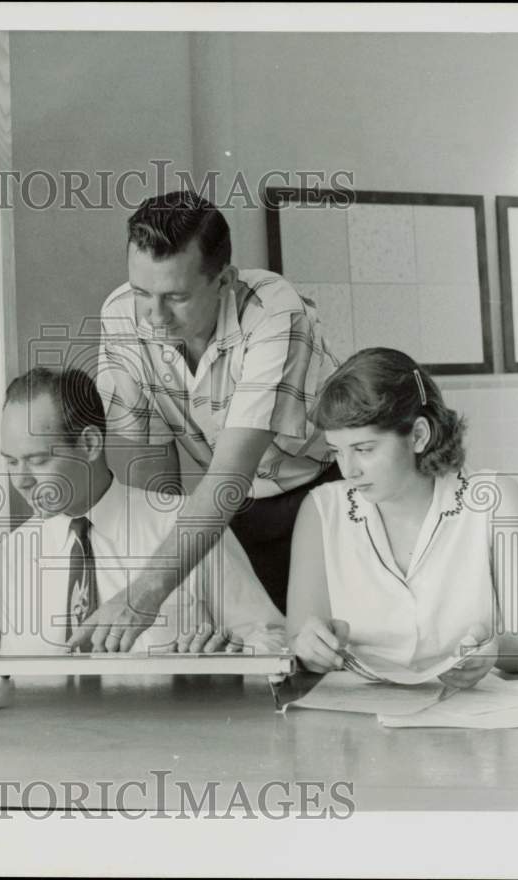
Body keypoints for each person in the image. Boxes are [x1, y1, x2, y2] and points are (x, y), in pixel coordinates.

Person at [80, 190, 338, 652]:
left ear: (225, 281)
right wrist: (174, 586)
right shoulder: (121, 313)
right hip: (219, 512)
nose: (154, 316)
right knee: (240, 653)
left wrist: (144, 596)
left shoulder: (276, 311)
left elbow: (228, 476)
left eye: (176, 297)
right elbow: (153, 459)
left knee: (314, 654)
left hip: (314, 499)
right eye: (143, 292)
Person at [0, 367, 285, 660]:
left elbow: (274, 641)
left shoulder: (189, 528)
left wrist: (232, 660)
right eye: (11, 461)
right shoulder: (11, 556)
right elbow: (5, 679)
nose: (21, 480)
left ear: (90, 444)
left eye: (38, 460)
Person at [287, 347, 518, 687]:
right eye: (337, 451)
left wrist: (494, 649)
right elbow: (297, 642)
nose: (349, 470)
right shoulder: (321, 510)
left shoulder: (496, 501)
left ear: (418, 435)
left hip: (478, 718)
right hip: (361, 728)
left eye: (364, 449)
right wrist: (309, 647)